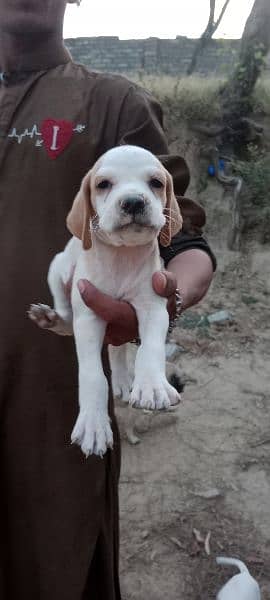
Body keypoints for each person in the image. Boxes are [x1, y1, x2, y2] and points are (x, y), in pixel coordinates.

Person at [0, 1, 216, 598]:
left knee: (55, 561)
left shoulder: (113, 103)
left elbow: (183, 241)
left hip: (51, 401)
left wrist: (166, 301)